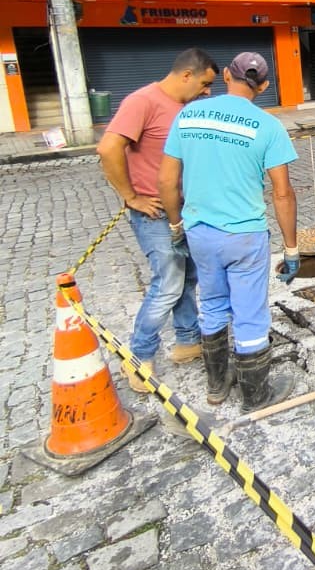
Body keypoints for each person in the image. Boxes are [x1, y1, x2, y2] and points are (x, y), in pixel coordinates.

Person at [158, 52, 300, 413]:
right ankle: (256, 395)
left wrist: (177, 226)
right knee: (250, 312)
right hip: (245, 236)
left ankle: (217, 385)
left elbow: (167, 180)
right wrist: (292, 248)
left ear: (225, 75)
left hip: (200, 233)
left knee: (214, 304)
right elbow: (282, 193)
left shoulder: (187, 115)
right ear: (264, 86)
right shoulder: (267, 127)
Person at [96, 48, 219, 391]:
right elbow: (108, 148)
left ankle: (187, 341)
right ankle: (139, 357)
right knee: (167, 284)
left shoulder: (184, 107)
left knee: (187, 277)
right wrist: (131, 196)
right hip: (155, 214)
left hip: (183, 212)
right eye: (205, 83)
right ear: (186, 76)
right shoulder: (143, 101)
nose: (208, 91)